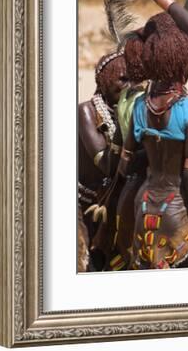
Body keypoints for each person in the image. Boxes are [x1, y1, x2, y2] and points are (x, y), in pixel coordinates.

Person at [118, 0, 188, 270]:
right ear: (180, 59)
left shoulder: (140, 106)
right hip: (177, 209)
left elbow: (125, 169)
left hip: (143, 205)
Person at [77, 50, 129, 271]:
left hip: (115, 203)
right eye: (122, 79)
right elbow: (107, 165)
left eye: (132, 79)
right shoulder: (86, 111)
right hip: (84, 204)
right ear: (105, 79)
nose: (128, 85)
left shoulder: (127, 111)